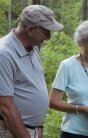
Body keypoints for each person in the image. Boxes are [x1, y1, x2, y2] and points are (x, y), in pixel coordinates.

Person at [0, 5, 63, 138]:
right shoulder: (3, 54)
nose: (49, 36)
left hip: (31, 130)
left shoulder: (33, 48)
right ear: (30, 29)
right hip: (12, 131)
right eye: (46, 31)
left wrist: (38, 127)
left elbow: (34, 87)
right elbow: (5, 106)